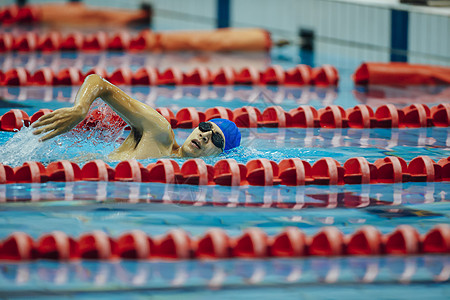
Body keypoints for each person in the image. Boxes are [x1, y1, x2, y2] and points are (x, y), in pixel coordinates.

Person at [32, 74, 241, 160]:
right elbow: (99, 83)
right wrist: (80, 109)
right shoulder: (159, 132)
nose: (205, 136)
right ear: (196, 128)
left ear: (220, 155)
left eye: (216, 139)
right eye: (205, 127)